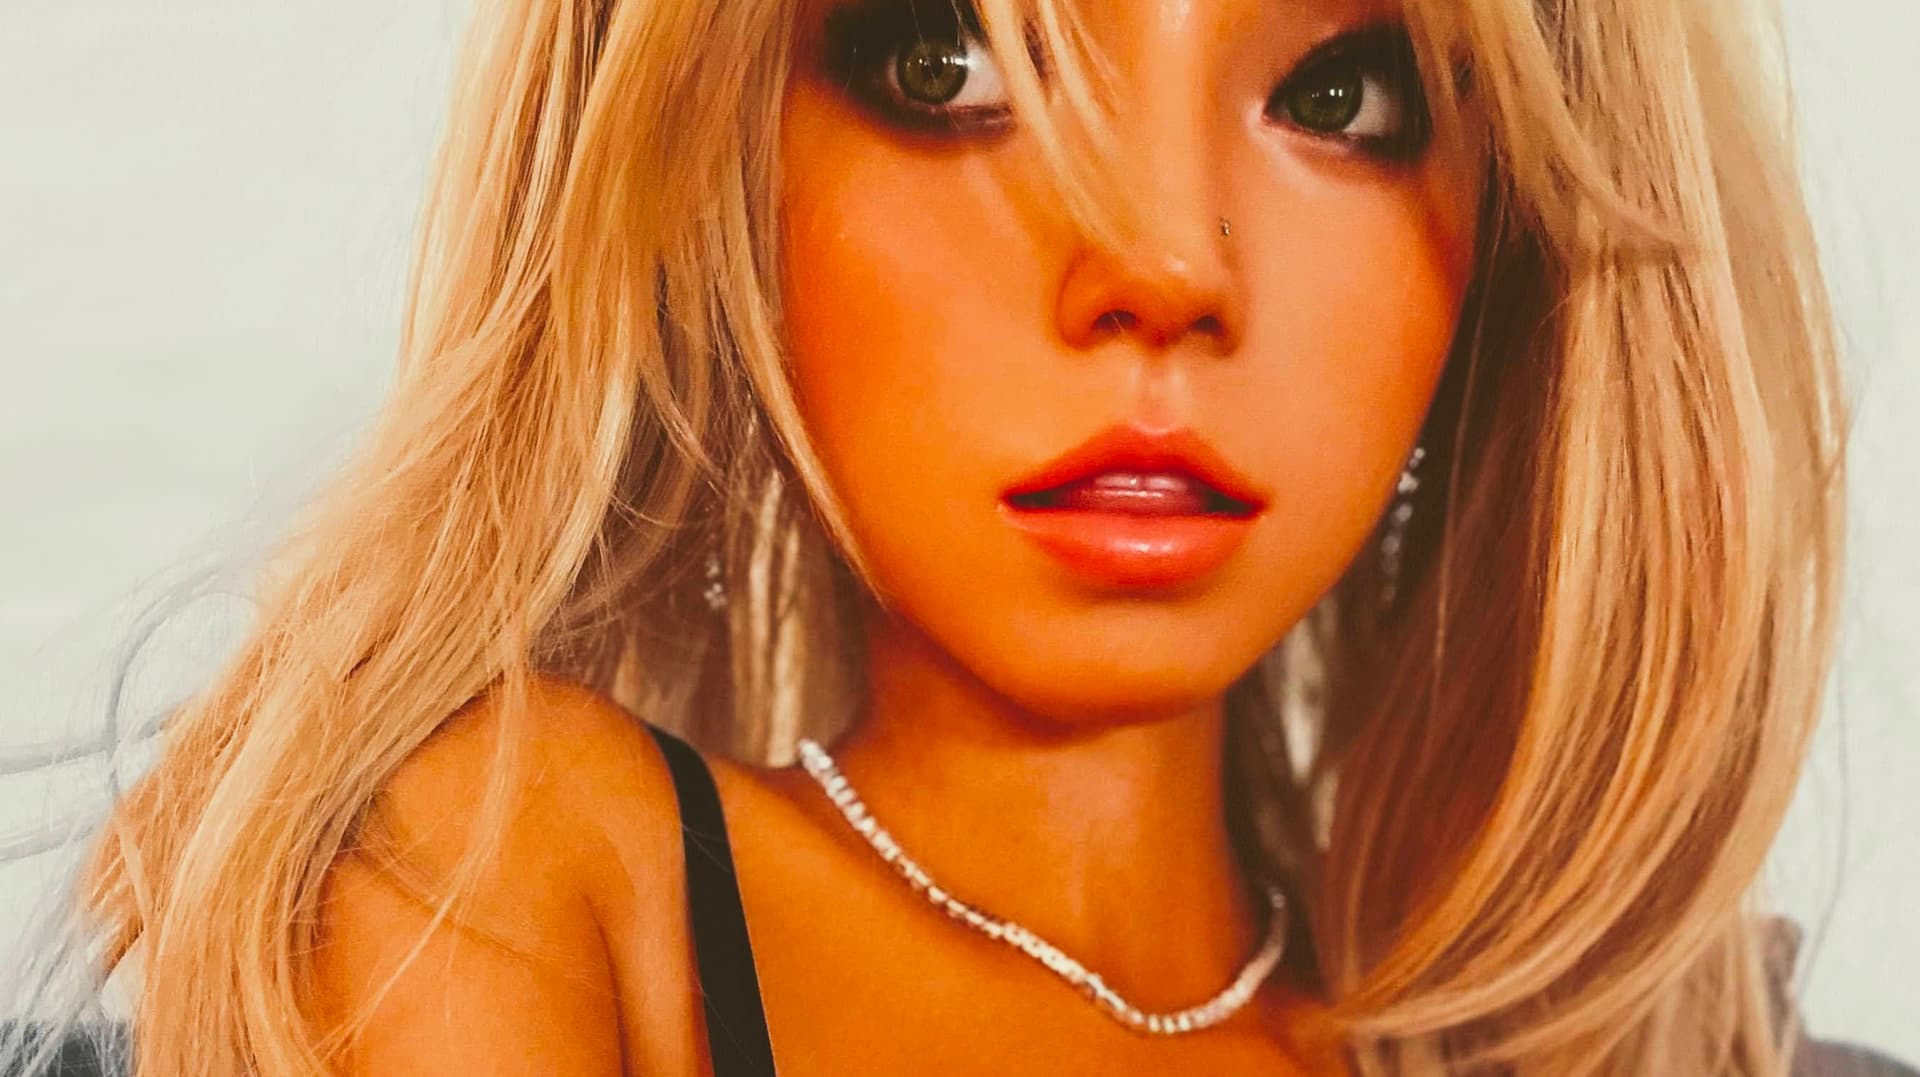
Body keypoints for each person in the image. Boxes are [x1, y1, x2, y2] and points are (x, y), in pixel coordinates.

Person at [1, 0, 1902, 1073]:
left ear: (1507, 246)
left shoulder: (1667, 1049)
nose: (1161, 263)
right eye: (948, 66)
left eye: (1341, 95)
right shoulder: (517, 860)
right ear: (712, 164)